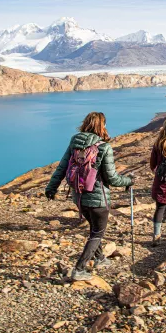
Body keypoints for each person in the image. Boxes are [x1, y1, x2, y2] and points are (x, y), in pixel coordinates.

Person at [45, 112, 133, 281]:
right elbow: (112, 178)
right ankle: (79, 269)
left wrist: (51, 187)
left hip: (79, 197)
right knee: (97, 233)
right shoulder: (104, 147)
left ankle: (99, 258)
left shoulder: (75, 143)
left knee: (94, 229)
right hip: (98, 199)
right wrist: (129, 181)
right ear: (102, 126)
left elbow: (62, 167)